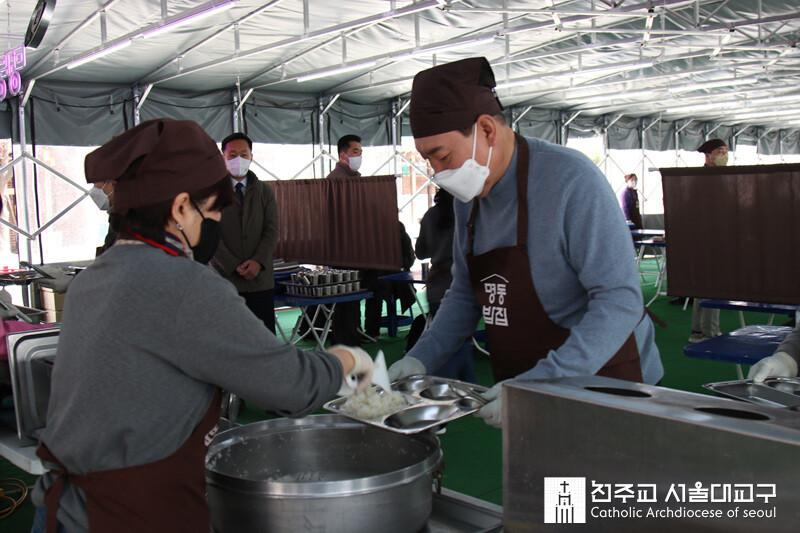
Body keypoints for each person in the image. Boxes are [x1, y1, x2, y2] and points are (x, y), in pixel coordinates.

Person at [30, 119, 373, 533]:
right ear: (179, 208)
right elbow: (291, 387)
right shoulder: (185, 284)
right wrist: (344, 358)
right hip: (129, 515)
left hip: (60, 509)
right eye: (212, 211)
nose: (215, 223)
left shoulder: (94, 278)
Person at [388, 57, 663, 429]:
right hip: (523, 384)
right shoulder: (469, 200)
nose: (440, 173)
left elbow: (619, 299)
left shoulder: (570, 180)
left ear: (486, 129)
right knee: (547, 488)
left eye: (442, 156)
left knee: (600, 488)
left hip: (605, 380)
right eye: (430, 161)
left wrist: (541, 382)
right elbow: (466, 293)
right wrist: (421, 358)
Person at [211, 132, 279, 333]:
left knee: (263, 338)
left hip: (260, 281)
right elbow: (210, 235)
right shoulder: (212, 193)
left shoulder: (265, 191)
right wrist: (232, 265)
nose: (238, 159)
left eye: (243, 154)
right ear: (223, 158)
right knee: (229, 338)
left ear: (251, 156)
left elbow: (272, 230)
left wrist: (258, 261)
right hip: (226, 280)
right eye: (232, 155)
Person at [411, 188, 478, 383]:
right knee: (460, 342)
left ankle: (467, 386)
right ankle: (467, 386)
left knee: (456, 341)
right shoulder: (468, 211)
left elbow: (421, 252)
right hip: (464, 285)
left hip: (438, 286)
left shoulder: (431, 215)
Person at [687, 138, 728, 343]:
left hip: (705, 239)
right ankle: (710, 333)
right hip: (710, 239)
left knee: (702, 288)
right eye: (720, 152)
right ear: (708, 155)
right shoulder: (705, 179)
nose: (724, 155)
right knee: (713, 286)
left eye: (726, 152)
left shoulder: (713, 177)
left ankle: (698, 331)